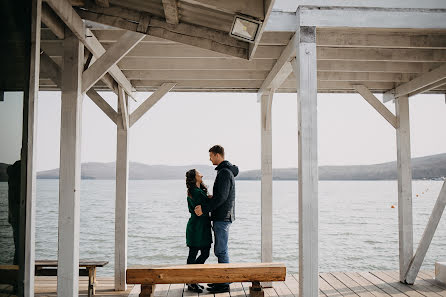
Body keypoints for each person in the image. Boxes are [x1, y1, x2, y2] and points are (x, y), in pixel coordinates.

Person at [194, 145, 239, 293]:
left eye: (211, 156)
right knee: (220, 250)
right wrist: (213, 198)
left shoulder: (225, 172)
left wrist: (204, 208)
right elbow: (221, 195)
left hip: (223, 217)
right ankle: (222, 280)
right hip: (223, 215)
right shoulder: (225, 171)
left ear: (218, 155)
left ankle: (224, 284)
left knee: (221, 250)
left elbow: (222, 197)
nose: (209, 158)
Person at [185, 169, 213, 293]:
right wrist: (210, 199)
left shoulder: (199, 191)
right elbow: (202, 207)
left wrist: (209, 198)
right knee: (193, 254)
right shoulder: (195, 192)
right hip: (197, 227)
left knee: (205, 253)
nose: (201, 174)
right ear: (194, 177)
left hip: (203, 226)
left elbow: (205, 204)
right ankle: (191, 281)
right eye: (199, 173)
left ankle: (192, 279)